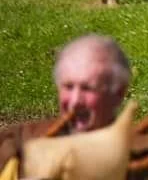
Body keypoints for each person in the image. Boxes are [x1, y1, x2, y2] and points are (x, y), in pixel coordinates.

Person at [0, 35, 133, 177]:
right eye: (68, 87)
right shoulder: (17, 142)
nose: (75, 101)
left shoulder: (144, 155)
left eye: (87, 88)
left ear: (119, 92)